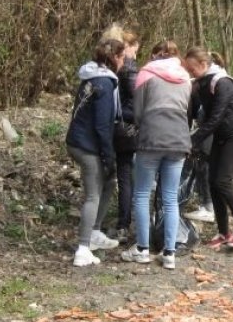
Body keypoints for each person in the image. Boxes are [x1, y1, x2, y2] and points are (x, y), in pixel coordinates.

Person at [120, 40, 192, 270]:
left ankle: (142, 249)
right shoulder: (185, 77)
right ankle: (169, 253)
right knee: (170, 197)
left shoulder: (146, 73)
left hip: (151, 137)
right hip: (179, 139)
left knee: (142, 194)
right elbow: (187, 110)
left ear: (154, 56)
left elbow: (138, 113)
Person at [183, 47, 233, 249]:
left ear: (204, 65)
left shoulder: (222, 83)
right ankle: (223, 232)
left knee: (222, 181)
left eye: (192, 69)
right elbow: (196, 112)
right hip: (221, 136)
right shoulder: (201, 83)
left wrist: (194, 140)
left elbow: (215, 118)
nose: (190, 73)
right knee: (213, 182)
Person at [65, 38, 125, 267]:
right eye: (122, 57)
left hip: (77, 140)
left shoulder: (91, 75)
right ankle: (83, 247)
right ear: (115, 58)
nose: (123, 61)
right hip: (87, 145)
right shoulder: (105, 83)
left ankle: (96, 231)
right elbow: (102, 124)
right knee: (93, 194)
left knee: (109, 181)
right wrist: (108, 156)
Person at [101, 24, 140, 239]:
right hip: (126, 129)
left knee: (120, 174)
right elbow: (136, 103)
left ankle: (121, 221)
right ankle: (123, 222)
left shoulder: (111, 67)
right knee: (124, 175)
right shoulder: (130, 67)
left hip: (119, 128)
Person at [184, 51, 228, 223]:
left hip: (210, 135)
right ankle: (211, 206)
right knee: (207, 169)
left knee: (205, 168)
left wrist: (193, 139)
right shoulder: (214, 83)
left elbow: (209, 116)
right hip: (211, 134)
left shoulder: (214, 85)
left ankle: (208, 207)